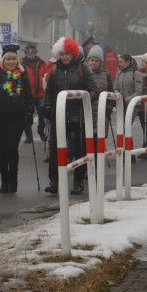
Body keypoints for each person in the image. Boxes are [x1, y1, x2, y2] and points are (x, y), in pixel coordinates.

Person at [44, 37, 99, 195]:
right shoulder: (55, 69)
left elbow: (94, 90)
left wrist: (83, 100)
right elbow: (49, 92)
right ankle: (54, 181)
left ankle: (78, 182)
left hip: (78, 116)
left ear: (73, 53)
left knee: (80, 150)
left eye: (67, 53)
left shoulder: (83, 67)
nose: (64, 57)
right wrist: (46, 106)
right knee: (54, 149)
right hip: (59, 116)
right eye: (61, 54)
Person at [0, 44, 34, 193]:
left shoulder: (22, 75)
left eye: (14, 59)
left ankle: (13, 179)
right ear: (3, 61)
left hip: (17, 117)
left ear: (17, 60)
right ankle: (4, 180)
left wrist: (30, 112)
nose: (11, 62)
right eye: (8, 59)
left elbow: (29, 96)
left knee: (11, 148)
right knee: (1, 150)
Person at [21, 43, 47, 143]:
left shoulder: (42, 63)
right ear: (25, 52)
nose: (30, 54)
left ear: (36, 52)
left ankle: (41, 130)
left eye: (33, 51)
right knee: (27, 116)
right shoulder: (21, 63)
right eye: (28, 51)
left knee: (42, 115)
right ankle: (29, 136)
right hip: (27, 94)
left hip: (40, 94)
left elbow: (47, 76)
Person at [114, 53, 146, 125]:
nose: (119, 64)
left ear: (128, 62)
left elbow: (138, 92)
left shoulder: (136, 73)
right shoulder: (119, 73)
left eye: (121, 62)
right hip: (121, 104)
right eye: (118, 62)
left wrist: (126, 100)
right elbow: (115, 88)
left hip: (133, 105)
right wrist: (119, 96)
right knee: (121, 127)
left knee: (126, 126)